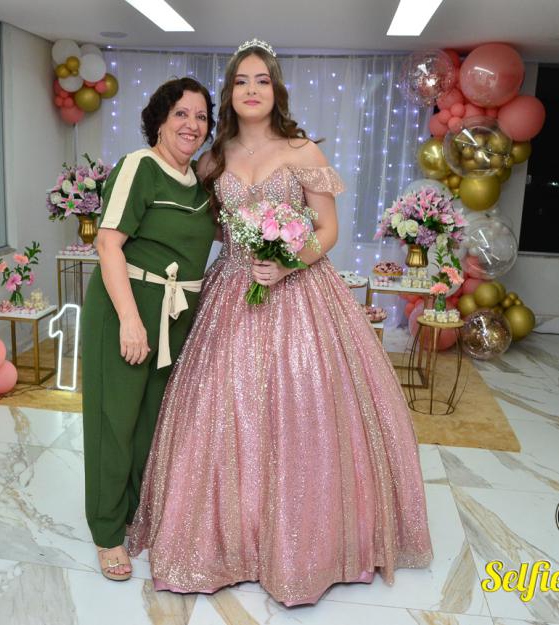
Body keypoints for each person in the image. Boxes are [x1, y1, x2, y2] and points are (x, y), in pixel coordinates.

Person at [127, 40, 432, 605]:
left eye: (261, 80)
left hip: (300, 291)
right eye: (241, 81)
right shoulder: (212, 159)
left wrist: (288, 261)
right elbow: (198, 226)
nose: (251, 90)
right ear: (229, 92)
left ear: (275, 89)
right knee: (222, 410)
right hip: (231, 291)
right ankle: (224, 542)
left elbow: (328, 229)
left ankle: (303, 545)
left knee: (306, 409)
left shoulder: (301, 150)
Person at [81, 77, 216, 582]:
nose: (191, 125)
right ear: (159, 120)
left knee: (149, 426)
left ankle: (134, 514)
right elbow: (108, 244)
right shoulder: (140, 166)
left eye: (201, 116)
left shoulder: (199, 183)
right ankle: (106, 532)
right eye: (181, 113)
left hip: (174, 316)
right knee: (113, 422)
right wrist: (130, 321)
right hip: (128, 308)